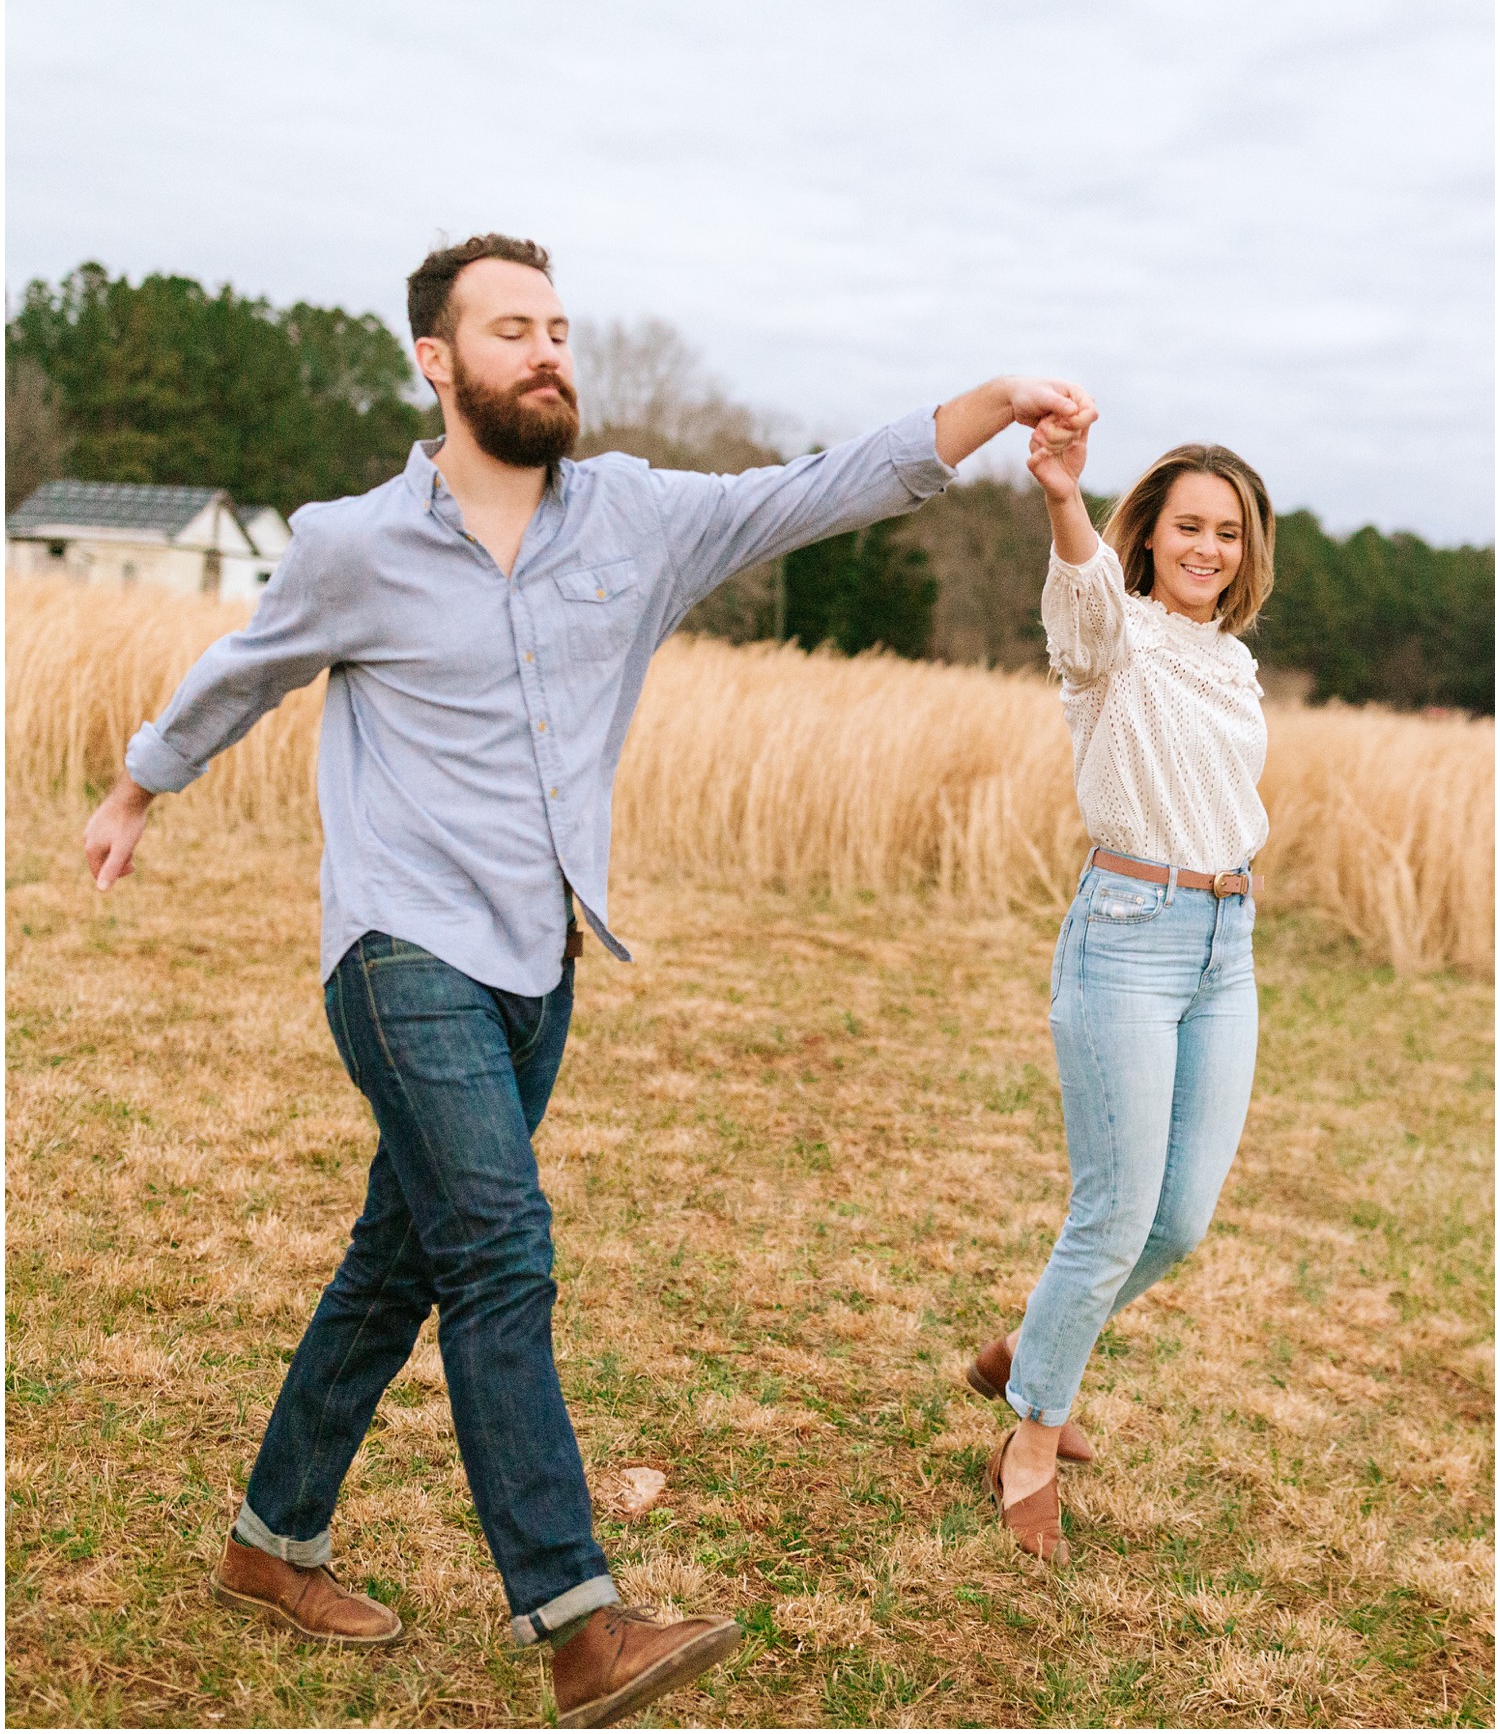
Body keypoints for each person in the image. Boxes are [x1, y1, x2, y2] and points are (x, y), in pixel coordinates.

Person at [84, 230, 1096, 1726]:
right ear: (438, 362)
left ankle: (269, 1539)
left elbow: (819, 485)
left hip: (536, 960)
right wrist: (137, 786)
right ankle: (579, 1618)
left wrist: (994, 399)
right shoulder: (354, 542)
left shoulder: (633, 517)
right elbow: (248, 666)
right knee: (500, 1246)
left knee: (402, 1259)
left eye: (558, 326)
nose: (548, 349)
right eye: (511, 330)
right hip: (397, 947)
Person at [964, 410, 1274, 1568]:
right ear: (1148, 537)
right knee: (1114, 1209)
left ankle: (1027, 1349)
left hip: (1224, 940)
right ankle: (1029, 1441)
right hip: (1129, 933)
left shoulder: (1231, 660)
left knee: (1181, 1218)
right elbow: (1083, 588)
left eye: (1229, 533)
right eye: (1189, 526)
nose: (1209, 547)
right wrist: (1060, 495)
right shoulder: (1113, 636)